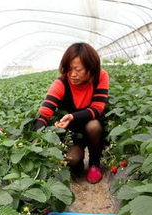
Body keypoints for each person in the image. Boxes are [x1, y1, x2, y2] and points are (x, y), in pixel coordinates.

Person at [33, 43, 109, 184]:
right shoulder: (61, 83)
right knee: (72, 160)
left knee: (94, 126)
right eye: (69, 69)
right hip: (72, 132)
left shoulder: (100, 77)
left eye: (78, 69)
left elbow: (97, 108)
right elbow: (44, 113)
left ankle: (94, 163)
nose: (72, 74)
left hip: (92, 127)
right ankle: (78, 163)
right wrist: (37, 137)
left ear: (91, 68)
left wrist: (72, 116)